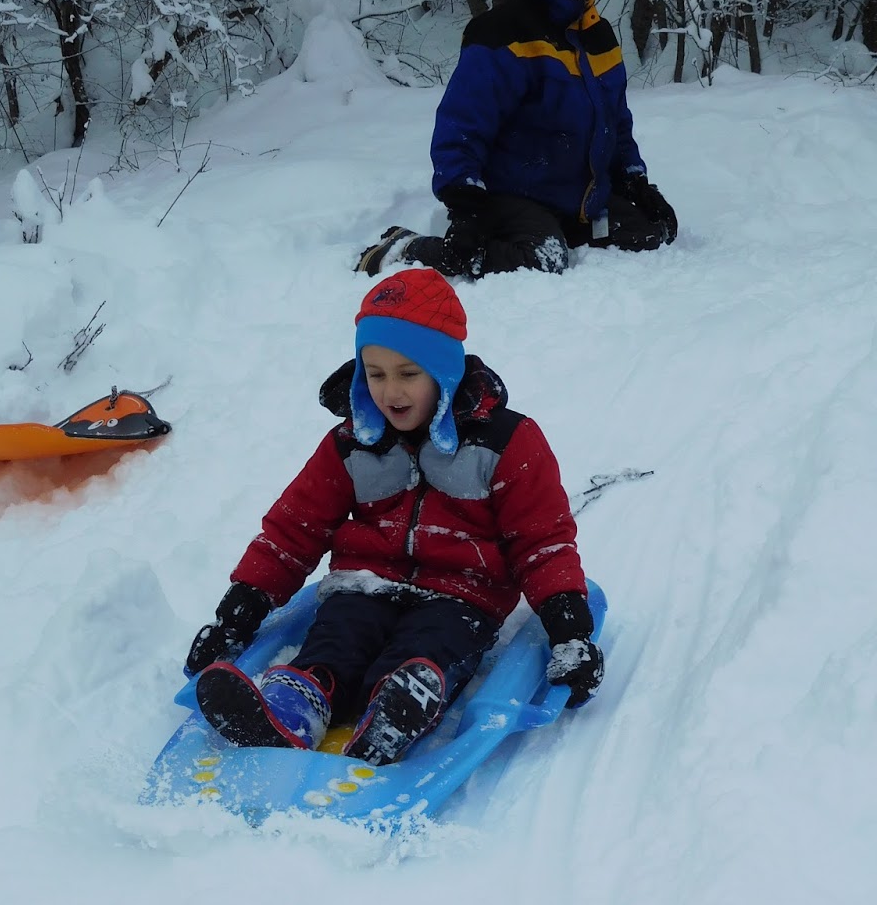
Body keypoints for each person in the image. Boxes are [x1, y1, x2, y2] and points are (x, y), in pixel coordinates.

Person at [184, 268, 603, 766]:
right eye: (375, 374)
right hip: (364, 583)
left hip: (461, 597)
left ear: (444, 372)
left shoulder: (507, 442)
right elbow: (295, 528)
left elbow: (542, 540)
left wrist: (569, 630)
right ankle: (290, 708)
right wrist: (238, 611)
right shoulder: (351, 441)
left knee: (430, 647)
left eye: (408, 373)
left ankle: (399, 706)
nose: (390, 391)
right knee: (337, 640)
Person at [357, 0, 677, 280]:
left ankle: (560, 229)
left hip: (578, 198)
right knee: (541, 258)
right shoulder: (499, 31)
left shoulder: (600, 37)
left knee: (648, 234)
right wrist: (465, 201)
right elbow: (462, 121)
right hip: (511, 194)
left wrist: (635, 180)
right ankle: (406, 248)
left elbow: (615, 122)